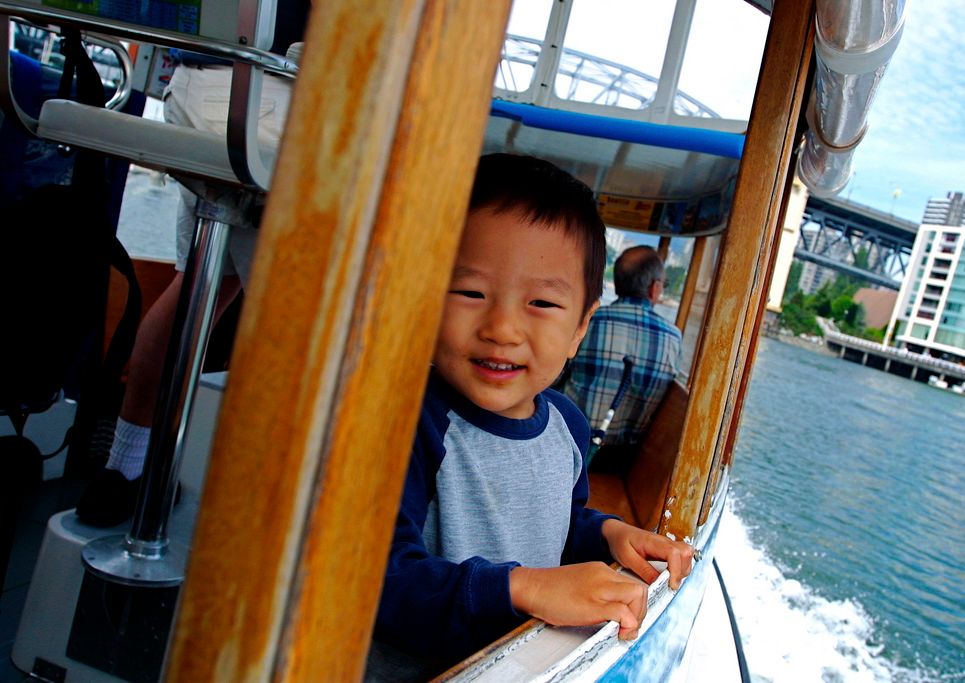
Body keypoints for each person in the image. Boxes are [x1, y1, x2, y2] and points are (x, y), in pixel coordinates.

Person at [369, 154, 694, 678]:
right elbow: (377, 582)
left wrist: (608, 533)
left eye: (541, 303)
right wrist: (528, 588)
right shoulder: (405, 418)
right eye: (471, 293)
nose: (502, 327)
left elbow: (551, 527)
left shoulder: (566, 426)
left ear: (580, 330)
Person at [75, 2, 311, 526]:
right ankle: (267, 511)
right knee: (298, 322)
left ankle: (125, 470)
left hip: (195, 90)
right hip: (269, 102)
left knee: (204, 281)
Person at [562, 246, 683, 455]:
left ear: (617, 283)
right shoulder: (673, 337)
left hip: (567, 442)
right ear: (654, 289)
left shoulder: (590, 320)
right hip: (622, 457)